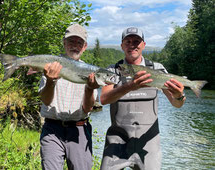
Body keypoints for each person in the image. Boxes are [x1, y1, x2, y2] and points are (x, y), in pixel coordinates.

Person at [100, 27, 186, 170]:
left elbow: (177, 104)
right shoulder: (112, 70)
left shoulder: (157, 69)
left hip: (149, 144)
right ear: (122, 46)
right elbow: (103, 99)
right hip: (116, 142)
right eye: (127, 42)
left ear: (143, 45)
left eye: (136, 41)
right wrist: (129, 86)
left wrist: (179, 95)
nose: (132, 45)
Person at [39, 24, 99, 170]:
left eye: (79, 43)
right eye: (71, 41)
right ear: (64, 43)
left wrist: (90, 89)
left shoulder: (91, 72)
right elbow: (46, 101)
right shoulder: (51, 66)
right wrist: (51, 81)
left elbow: (88, 108)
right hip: (52, 128)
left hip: (79, 129)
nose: (75, 46)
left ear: (84, 47)